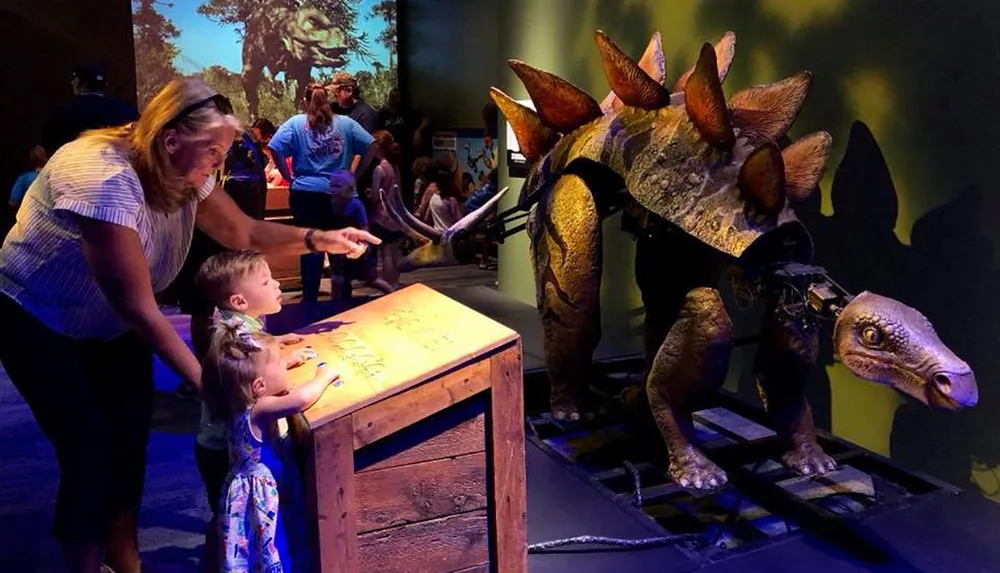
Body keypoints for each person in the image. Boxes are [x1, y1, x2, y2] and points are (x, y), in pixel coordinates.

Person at [0, 77, 378, 573]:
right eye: (213, 151)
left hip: (109, 320)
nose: (218, 166)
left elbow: (243, 231)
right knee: (87, 449)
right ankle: (84, 561)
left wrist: (319, 238)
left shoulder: (183, 169)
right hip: (38, 316)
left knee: (129, 436)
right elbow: (140, 307)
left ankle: (124, 553)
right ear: (171, 139)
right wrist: (217, 389)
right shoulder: (103, 177)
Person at [191, 249, 316, 572]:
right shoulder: (238, 336)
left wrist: (279, 351)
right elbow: (248, 377)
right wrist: (286, 364)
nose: (276, 284)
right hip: (226, 450)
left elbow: (254, 363)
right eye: (266, 281)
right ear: (239, 301)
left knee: (230, 519)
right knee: (231, 519)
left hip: (222, 446)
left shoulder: (241, 327)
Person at [201, 317, 335, 572]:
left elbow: (261, 377)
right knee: (277, 541)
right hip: (266, 495)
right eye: (278, 365)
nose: (283, 367)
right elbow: (302, 399)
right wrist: (324, 375)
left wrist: (285, 361)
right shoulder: (260, 409)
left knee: (255, 550)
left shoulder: (238, 401)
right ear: (260, 386)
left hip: (246, 490)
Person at [167, 118, 274, 402]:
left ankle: (217, 376)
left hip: (208, 246)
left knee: (204, 313)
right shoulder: (244, 146)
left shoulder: (207, 157)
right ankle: (239, 375)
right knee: (231, 311)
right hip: (228, 248)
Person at [268, 83, 380, 303]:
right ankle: (343, 299)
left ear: (304, 101)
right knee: (341, 245)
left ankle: (310, 301)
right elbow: (373, 146)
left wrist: (287, 175)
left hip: (306, 194)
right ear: (329, 101)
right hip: (341, 194)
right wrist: (354, 175)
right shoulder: (346, 123)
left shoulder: (295, 123)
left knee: (310, 247)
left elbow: (274, 147)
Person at [40, 64, 139, 156]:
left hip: (72, 169)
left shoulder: (60, 112)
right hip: (119, 169)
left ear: (77, 82)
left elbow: (41, 152)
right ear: (105, 85)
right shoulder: (127, 110)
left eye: (73, 79)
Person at [330, 170, 394, 297]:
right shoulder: (333, 204)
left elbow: (364, 227)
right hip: (341, 248)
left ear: (349, 188)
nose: (334, 189)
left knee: (371, 279)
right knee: (338, 279)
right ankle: (337, 306)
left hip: (358, 247)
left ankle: (392, 294)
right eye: (332, 185)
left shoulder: (356, 205)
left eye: (338, 186)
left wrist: (363, 244)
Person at [368, 130, 406, 287]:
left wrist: (370, 193)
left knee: (386, 254)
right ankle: (396, 282)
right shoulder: (394, 167)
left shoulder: (379, 169)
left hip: (382, 217)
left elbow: (376, 196)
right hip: (395, 215)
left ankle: (388, 283)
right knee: (395, 252)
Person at [327, 71, 376, 135]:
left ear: (349, 91)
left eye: (337, 91)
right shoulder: (332, 109)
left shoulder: (365, 115)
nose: (334, 94)